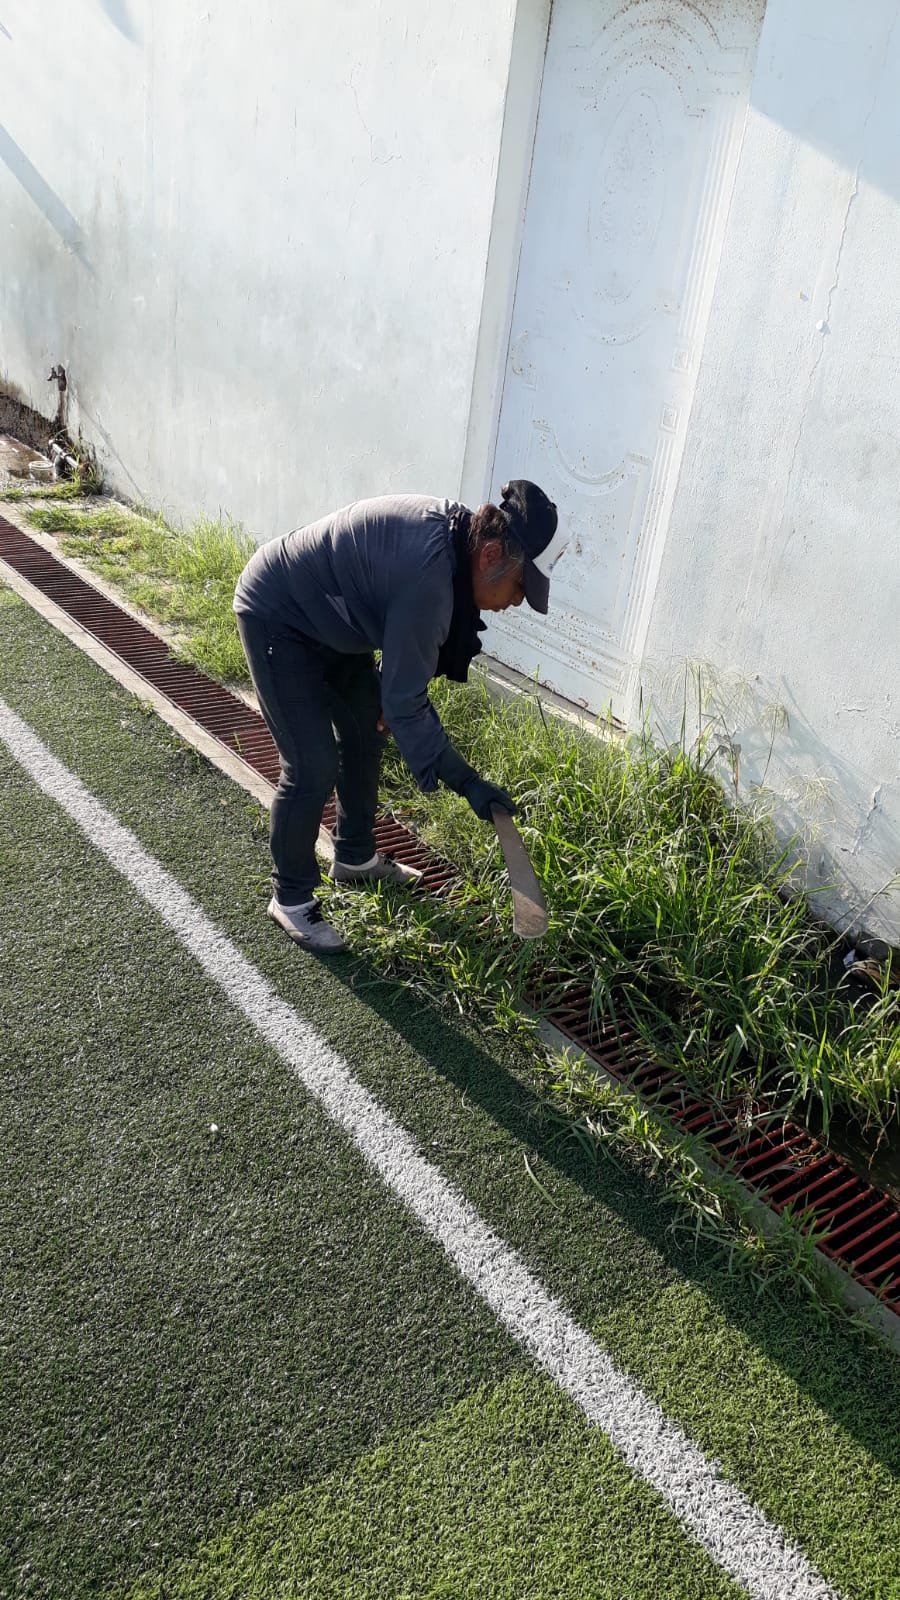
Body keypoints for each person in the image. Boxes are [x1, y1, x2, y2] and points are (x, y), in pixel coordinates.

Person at [233, 479, 568, 951]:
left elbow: (394, 617)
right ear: (491, 554)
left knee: (366, 728)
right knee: (312, 765)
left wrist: (393, 691)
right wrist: (467, 781)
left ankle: (354, 857)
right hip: (279, 613)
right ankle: (290, 898)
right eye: (519, 587)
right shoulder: (432, 577)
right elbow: (406, 698)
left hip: (336, 620)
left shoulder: (462, 538)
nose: (516, 602)